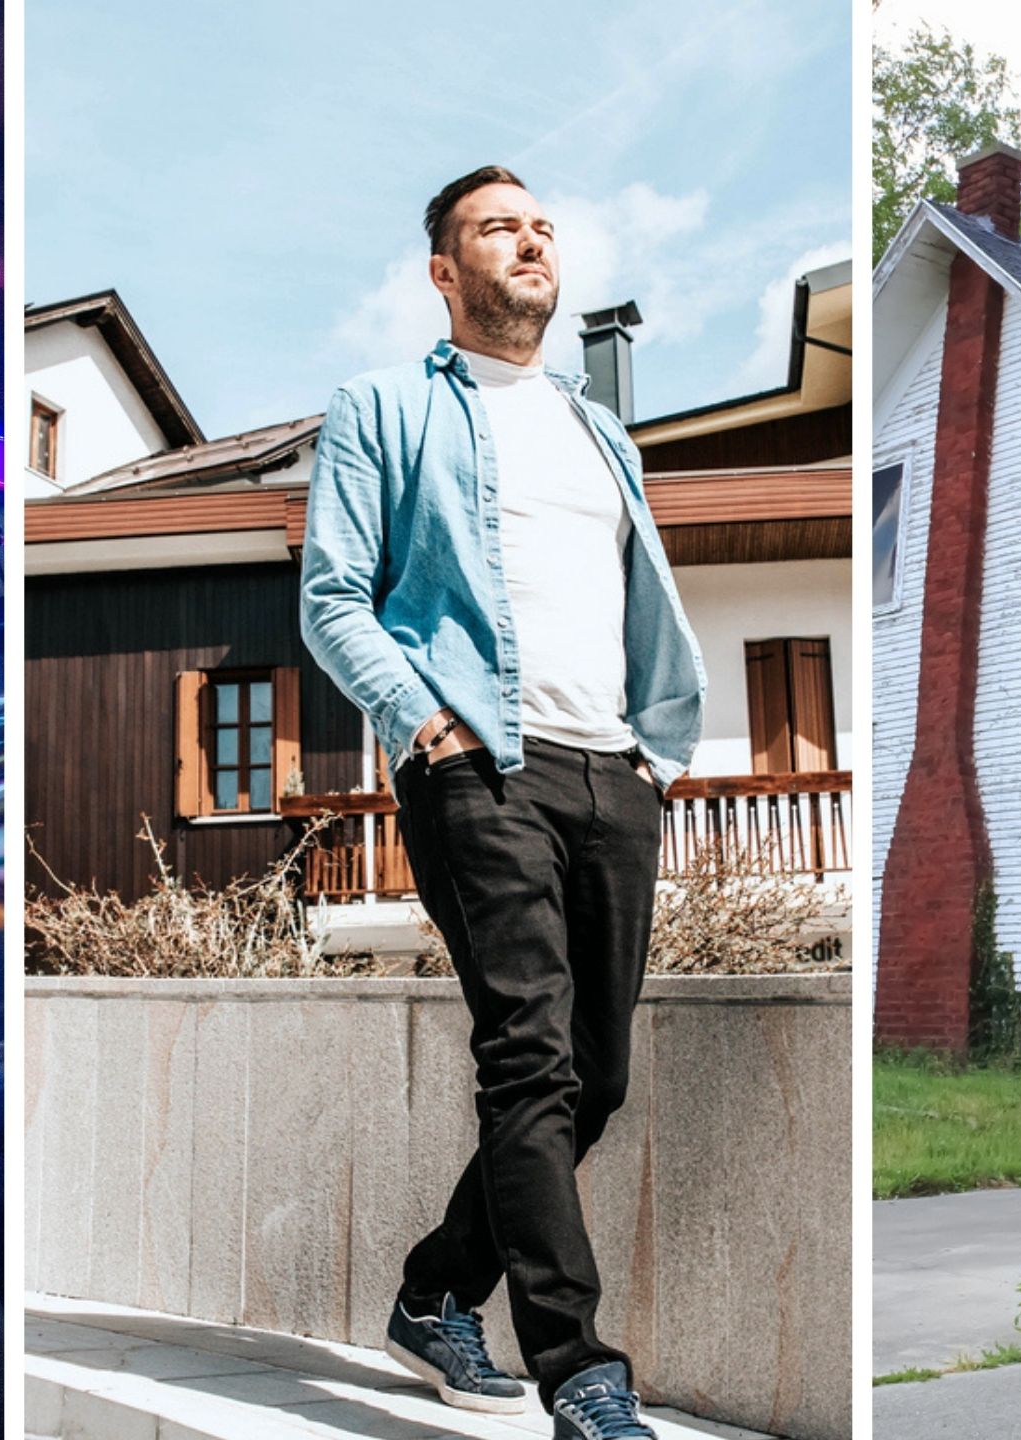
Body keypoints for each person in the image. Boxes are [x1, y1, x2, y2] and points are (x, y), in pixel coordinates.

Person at [298, 164, 704, 1440]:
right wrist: (425, 725)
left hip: (611, 772)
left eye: (540, 225)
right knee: (527, 1057)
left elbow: (635, 604)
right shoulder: (383, 406)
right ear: (443, 271)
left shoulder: (600, 430)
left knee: (597, 1077)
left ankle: (432, 1292)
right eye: (496, 228)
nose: (528, 241)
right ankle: (581, 1370)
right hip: (481, 764)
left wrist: (653, 758)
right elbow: (331, 595)